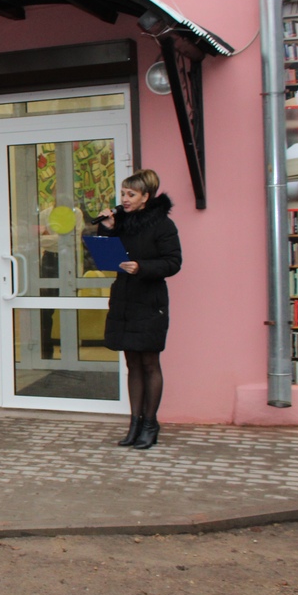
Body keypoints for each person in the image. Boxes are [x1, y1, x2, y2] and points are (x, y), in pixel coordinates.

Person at [94, 169, 182, 450]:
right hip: (124, 299)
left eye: (131, 194)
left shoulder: (163, 225)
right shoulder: (120, 222)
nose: (124, 199)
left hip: (150, 301)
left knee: (149, 363)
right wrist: (106, 228)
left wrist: (142, 267)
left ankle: (150, 424)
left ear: (146, 197)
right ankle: (134, 423)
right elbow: (104, 258)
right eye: (122, 193)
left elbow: (173, 262)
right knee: (132, 363)